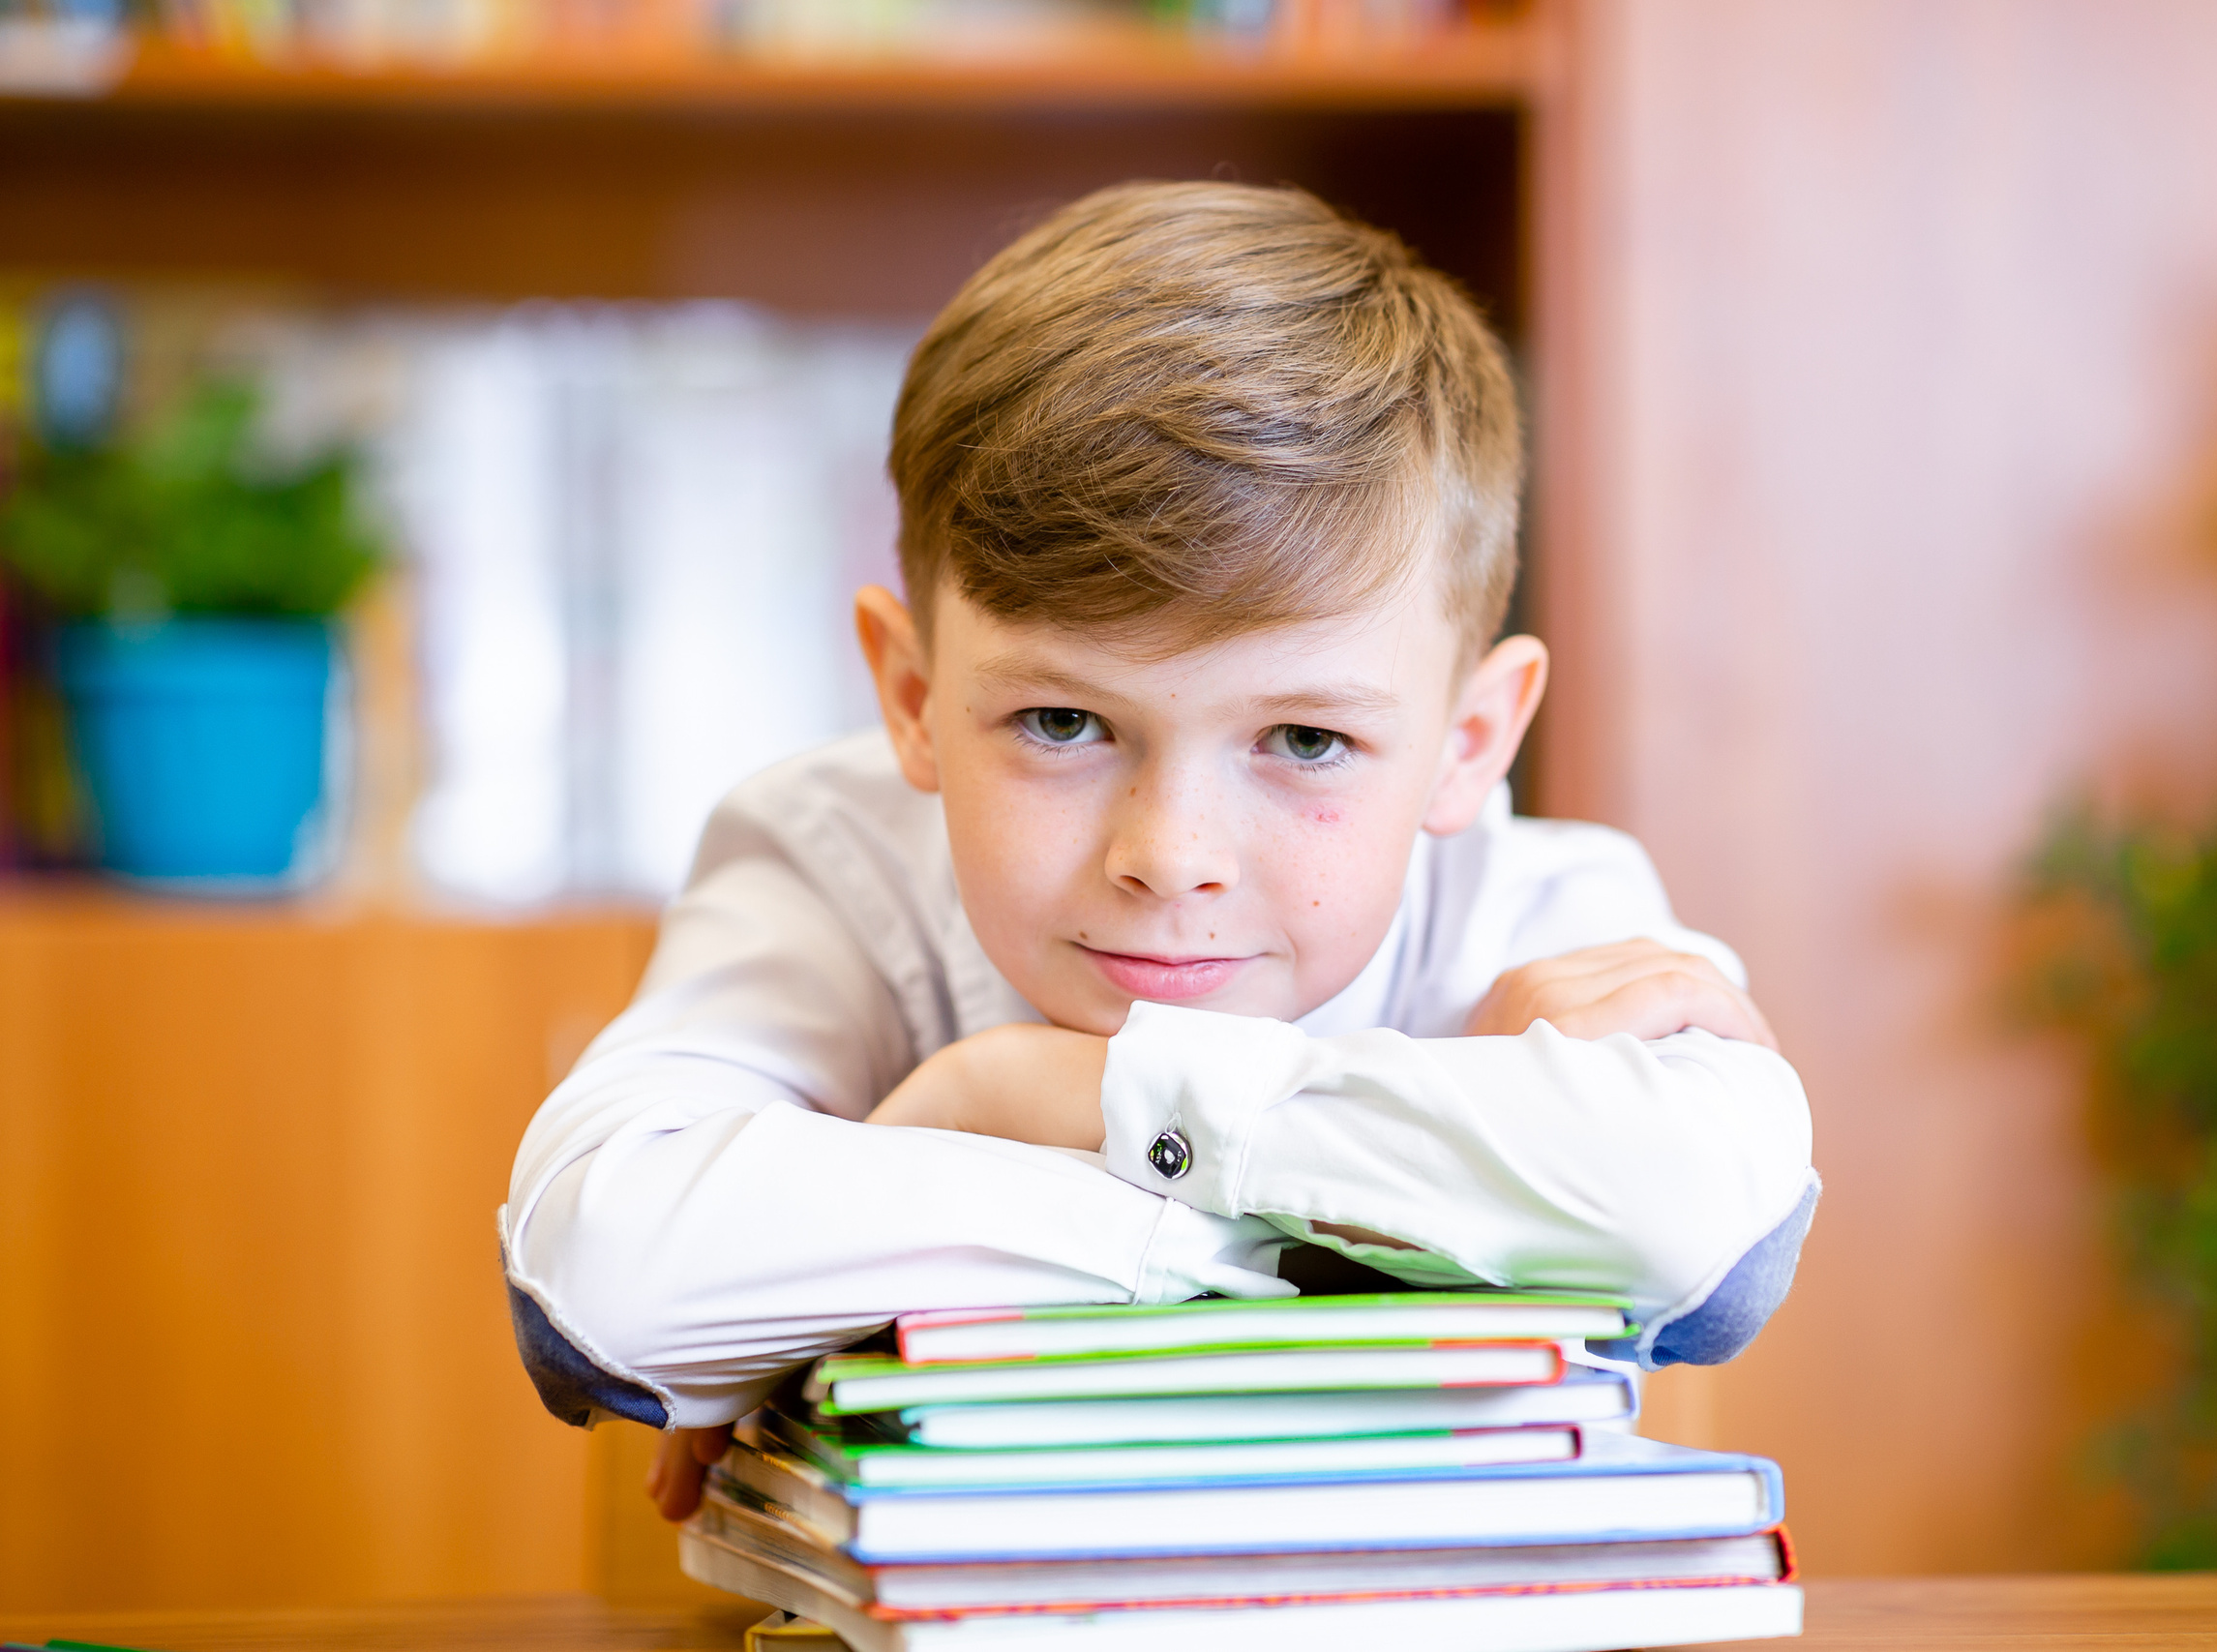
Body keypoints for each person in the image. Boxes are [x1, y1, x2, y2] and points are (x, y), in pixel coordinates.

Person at [498, 180, 1819, 1521]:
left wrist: (1028, 1102)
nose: (1171, 857)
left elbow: (1708, 1227)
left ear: (1471, 741)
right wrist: (1408, 1196)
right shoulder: (831, 855)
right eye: (1063, 721)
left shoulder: (1541, 908)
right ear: (910, 699)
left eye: (1304, 742)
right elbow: (600, 1277)